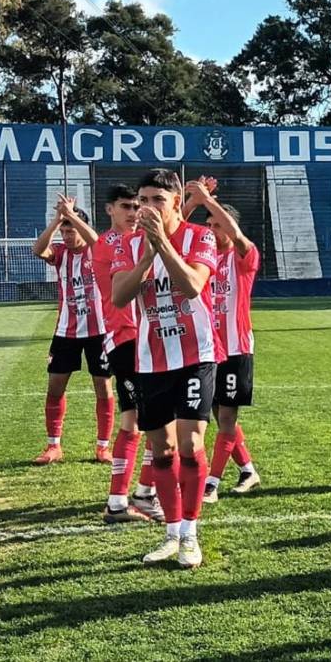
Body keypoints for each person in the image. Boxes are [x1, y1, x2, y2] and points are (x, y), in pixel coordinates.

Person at [112, 169, 224, 568]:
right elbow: (120, 296)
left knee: (192, 446)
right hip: (150, 360)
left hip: (195, 356)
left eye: (157, 199)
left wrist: (163, 245)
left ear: (177, 201)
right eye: (143, 200)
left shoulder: (201, 236)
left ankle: (191, 535)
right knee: (162, 450)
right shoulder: (127, 244)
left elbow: (193, 284)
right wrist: (147, 252)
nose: (147, 207)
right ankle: (171, 532)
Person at [181, 179, 262, 501]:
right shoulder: (203, 258)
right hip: (206, 349)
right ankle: (248, 470)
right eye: (209, 224)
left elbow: (239, 237)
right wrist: (193, 200)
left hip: (235, 348)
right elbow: (180, 227)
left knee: (226, 418)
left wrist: (208, 201)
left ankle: (210, 484)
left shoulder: (244, 256)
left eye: (218, 224)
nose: (211, 229)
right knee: (217, 416)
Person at [94, 184, 164, 523]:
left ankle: (143, 492)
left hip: (147, 337)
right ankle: (120, 502)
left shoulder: (137, 241)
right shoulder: (109, 244)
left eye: (138, 206)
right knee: (137, 421)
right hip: (126, 337)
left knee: (159, 419)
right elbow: (122, 288)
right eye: (127, 206)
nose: (134, 212)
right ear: (110, 209)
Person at [31, 195, 114, 466]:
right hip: (66, 331)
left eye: (71, 230)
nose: (67, 235)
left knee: (103, 387)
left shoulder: (96, 250)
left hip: (99, 331)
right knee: (55, 387)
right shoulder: (60, 253)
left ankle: (103, 446)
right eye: (64, 231)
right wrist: (57, 219)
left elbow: (99, 242)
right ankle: (53, 446)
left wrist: (74, 218)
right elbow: (37, 250)